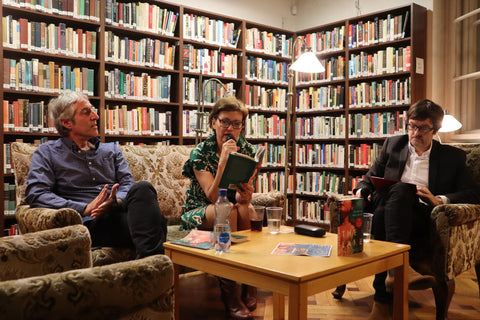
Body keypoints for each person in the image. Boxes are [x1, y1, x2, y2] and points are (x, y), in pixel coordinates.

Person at [354, 99, 480, 320]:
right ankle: (397, 273)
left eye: (422, 128)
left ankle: (382, 296)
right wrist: (361, 191)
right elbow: (368, 179)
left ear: (435, 130)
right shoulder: (393, 145)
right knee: (396, 195)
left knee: (396, 197)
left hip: (423, 216)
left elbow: (472, 192)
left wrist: (438, 199)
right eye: (412, 126)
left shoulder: (453, 157)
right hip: (388, 210)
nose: (415, 132)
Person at [25, 91, 167, 259]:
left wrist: (116, 202)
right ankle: (154, 266)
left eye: (93, 110)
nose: (96, 116)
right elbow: (36, 194)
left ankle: (148, 266)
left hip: (119, 214)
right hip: (89, 223)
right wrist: (84, 208)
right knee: (154, 224)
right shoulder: (46, 153)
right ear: (67, 123)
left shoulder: (112, 150)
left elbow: (127, 183)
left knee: (143, 188)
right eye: (86, 112)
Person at [182, 96, 258, 320]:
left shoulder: (247, 149)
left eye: (237, 124)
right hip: (199, 209)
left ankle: (251, 282)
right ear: (213, 122)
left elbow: (242, 196)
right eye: (225, 122)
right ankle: (231, 295)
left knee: (249, 211)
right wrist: (224, 159)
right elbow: (213, 196)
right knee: (227, 210)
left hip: (232, 206)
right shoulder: (200, 153)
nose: (230, 128)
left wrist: (246, 196)